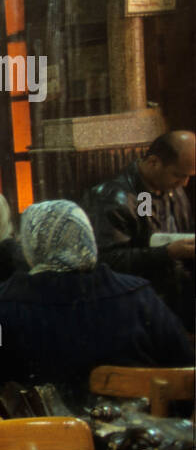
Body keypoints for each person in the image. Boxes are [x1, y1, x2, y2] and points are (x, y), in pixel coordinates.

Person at [0, 199, 192, 401]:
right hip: (139, 434)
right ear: (87, 235)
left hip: (41, 437)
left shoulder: (0, 307)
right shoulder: (138, 295)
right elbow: (182, 366)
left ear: (31, 242)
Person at [83, 131, 195, 330]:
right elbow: (106, 261)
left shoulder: (170, 188)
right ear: (153, 162)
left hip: (176, 302)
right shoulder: (112, 198)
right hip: (137, 310)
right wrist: (167, 253)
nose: (184, 183)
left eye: (189, 176)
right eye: (179, 175)